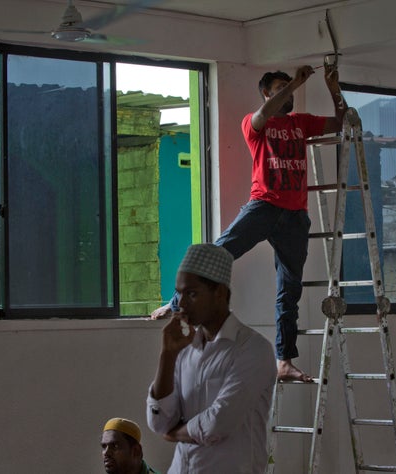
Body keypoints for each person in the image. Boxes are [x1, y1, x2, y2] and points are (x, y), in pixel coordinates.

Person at [152, 62, 347, 382]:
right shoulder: (255, 123)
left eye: (290, 89)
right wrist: (295, 82)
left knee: (290, 289)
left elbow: (341, 121)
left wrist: (332, 86)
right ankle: (176, 304)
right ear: (266, 96)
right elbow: (264, 112)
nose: (289, 94)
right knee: (216, 253)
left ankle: (284, 361)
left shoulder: (302, 122)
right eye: (280, 89)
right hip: (264, 207)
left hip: (295, 217)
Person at [146, 243, 277, 474]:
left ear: (219, 293)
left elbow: (218, 422)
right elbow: (159, 423)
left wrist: (176, 434)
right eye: (179, 293)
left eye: (192, 293)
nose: (182, 304)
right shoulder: (184, 350)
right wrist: (167, 355)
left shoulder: (253, 349)